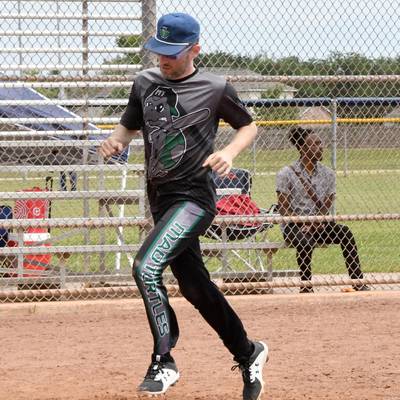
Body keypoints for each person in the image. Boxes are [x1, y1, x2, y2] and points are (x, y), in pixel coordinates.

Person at [100, 12, 268, 400]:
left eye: (171, 53)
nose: (163, 59)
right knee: (194, 287)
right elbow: (129, 125)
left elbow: (248, 125)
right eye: (158, 51)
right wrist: (117, 139)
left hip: (194, 199)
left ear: (195, 50)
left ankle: (164, 360)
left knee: (146, 267)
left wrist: (229, 152)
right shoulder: (144, 83)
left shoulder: (215, 87)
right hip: (161, 200)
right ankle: (248, 352)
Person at [276, 127, 370, 293]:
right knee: (305, 242)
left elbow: (326, 205)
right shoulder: (286, 173)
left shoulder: (328, 174)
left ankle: (357, 281)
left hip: (319, 223)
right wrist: (302, 223)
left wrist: (315, 223)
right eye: (315, 144)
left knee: (345, 233)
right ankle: (306, 286)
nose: (321, 147)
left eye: (320, 143)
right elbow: (284, 208)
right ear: (302, 148)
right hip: (294, 225)